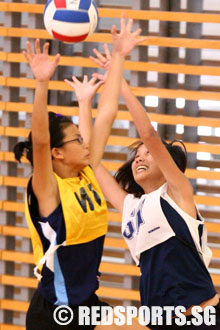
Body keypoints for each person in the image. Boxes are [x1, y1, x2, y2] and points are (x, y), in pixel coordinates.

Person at [13, 16, 146, 330]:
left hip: (85, 304)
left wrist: (119, 57)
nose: (86, 143)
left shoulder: (85, 172)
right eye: (77, 138)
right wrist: (42, 82)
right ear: (57, 153)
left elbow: (109, 111)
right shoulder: (47, 188)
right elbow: (42, 139)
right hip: (57, 315)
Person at [88, 45, 220, 329]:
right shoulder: (131, 207)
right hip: (159, 320)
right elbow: (93, 161)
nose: (140, 158)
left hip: (202, 318)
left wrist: (119, 79)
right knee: (105, 324)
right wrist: (85, 103)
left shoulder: (177, 192)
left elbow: (147, 133)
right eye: (137, 157)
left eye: (148, 153)